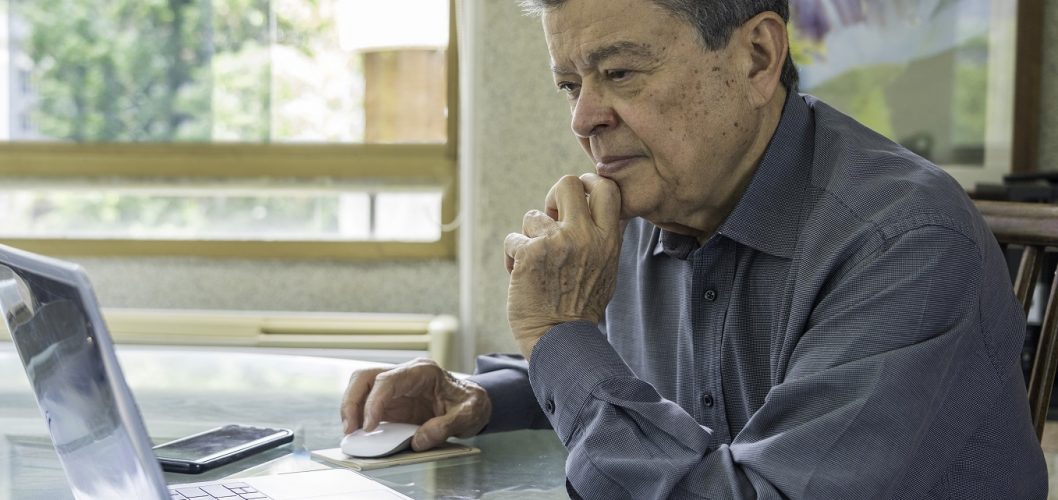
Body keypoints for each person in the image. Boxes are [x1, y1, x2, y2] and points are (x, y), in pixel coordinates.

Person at [341, 0, 1049, 497]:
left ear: (757, 56)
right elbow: (615, 376)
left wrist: (556, 331)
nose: (585, 118)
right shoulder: (654, 196)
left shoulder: (904, 243)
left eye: (619, 73)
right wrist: (483, 394)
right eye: (569, 84)